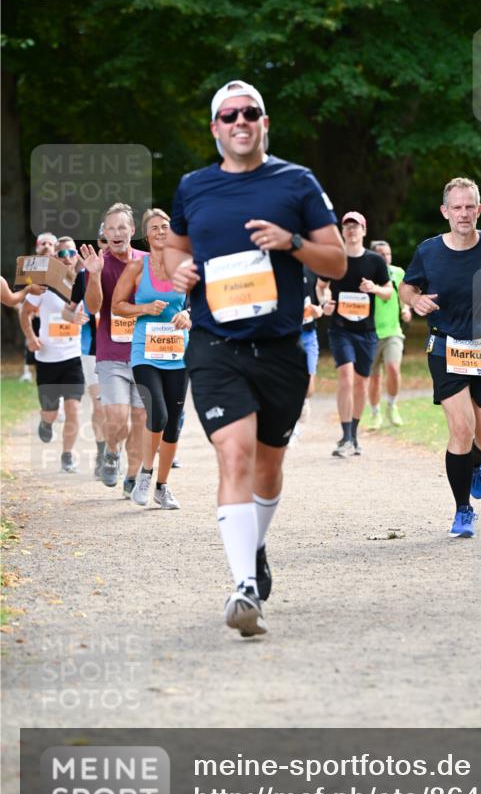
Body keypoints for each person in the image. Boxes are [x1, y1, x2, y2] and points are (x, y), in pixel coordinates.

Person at [164, 79, 345, 637]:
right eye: (229, 115)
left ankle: (255, 546)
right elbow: (176, 244)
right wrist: (178, 270)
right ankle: (243, 586)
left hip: (281, 348)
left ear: (264, 122)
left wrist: (292, 243)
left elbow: (336, 262)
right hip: (215, 344)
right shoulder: (194, 186)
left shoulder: (296, 182)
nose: (240, 122)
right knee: (234, 453)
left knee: (268, 466)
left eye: (251, 113)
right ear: (215, 127)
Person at [399, 177, 481, 538]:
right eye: (457, 207)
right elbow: (408, 286)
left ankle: (475, 464)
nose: (464, 213)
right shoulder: (429, 251)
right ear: (445, 211)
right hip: (445, 347)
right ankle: (463, 511)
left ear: (479, 209)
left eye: (470, 206)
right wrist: (413, 300)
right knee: (461, 430)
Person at [111, 208, 190, 509]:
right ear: (147, 235)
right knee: (158, 413)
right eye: (154, 228)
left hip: (178, 354)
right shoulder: (136, 267)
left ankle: (162, 486)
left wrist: (187, 314)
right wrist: (143, 309)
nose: (160, 231)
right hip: (144, 352)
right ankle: (145, 474)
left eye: (165, 227)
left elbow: (200, 305)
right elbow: (117, 306)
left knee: (173, 425)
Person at [80, 203, 147, 497]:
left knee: (142, 419)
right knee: (118, 418)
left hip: (146, 352)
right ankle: (111, 451)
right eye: (111, 228)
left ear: (132, 230)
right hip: (111, 353)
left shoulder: (149, 261)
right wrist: (93, 276)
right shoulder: (98, 264)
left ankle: (131, 477)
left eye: (123, 227)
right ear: (104, 233)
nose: (117, 233)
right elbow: (93, 307)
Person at [317, 212, 392, 458]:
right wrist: (325, 302)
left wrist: (374, 288)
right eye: (347, 226)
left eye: (355, 226)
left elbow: (388, 293)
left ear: (364, 230)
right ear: (342, 231)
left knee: (361, 384)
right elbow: (321, 287)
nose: (351, 230)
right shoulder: (334, 259)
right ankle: (345, 436)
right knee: (346, 378)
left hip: (367, 332)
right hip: (340, 329)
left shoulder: (375, 261)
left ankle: (355, 435)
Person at [19, 240, 87, 473]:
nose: (67, 257)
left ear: (77, 256)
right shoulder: (44, 286)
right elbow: (25, 313)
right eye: (62, 253)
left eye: (71, 252)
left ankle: (67, 454)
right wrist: (30, 337)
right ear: (55, 258)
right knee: (50, 413)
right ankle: (46, 422)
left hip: (73, 358)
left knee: (73, 410)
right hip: (47, 359)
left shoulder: (85, 283)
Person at [367, 239, 412, 429]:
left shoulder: (398, 272)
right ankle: (375, 412)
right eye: (381, 254)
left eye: (388, 254)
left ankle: (392, 406)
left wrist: (407, 309)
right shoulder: (366, 274)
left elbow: (405, 297)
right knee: (374, 377)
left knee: (393, 368)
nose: (385, 257)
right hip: (369, 333)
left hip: (393, 331)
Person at [290, 266, 323, 445]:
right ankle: (292, 426)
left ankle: (302, 402)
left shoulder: (310, 271)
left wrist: (319, 309)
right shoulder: (278, 269)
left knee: (309, 388)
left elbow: (322, 294)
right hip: (286, 336)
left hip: (308, 334)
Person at [19, 232, 58, 383]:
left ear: (55, 249)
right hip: (33, 320)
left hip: (57, 321)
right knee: (38, 358)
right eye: (43, 243)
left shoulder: (62, 269)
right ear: (37, 248)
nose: (46, 247)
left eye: (50, 244)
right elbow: (19, 297)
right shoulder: (28, 269)